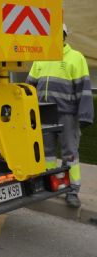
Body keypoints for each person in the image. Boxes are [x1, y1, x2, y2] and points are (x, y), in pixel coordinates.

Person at [26, 24, 94, 208]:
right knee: (46, 154)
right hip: (44, 114)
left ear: (64, 36)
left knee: (70, 154)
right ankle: (51, 185)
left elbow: (84, 89)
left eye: (58, 35)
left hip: (67, 116)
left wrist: (85, 115)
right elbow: (30, 86)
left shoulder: (76, 58)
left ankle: (72, 191)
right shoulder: (40, 58)